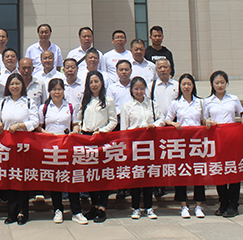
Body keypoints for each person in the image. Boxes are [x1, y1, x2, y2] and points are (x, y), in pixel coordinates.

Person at [38, 78, 87, 225]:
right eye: (54, 89)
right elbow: (39, 127)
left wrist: (75, 131)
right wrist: (48, 134)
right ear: (49, 91)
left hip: (67, 148)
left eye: (59, 89)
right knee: (55, 180)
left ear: (63, 91)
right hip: (51, 149)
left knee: (71, 178)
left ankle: (76, 211)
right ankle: (58, 209)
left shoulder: (70, 106)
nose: (57, 92)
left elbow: (76, 124)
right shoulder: (44, 108)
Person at [204, 70, 243, 218]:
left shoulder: (233, 99)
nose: (219, 85)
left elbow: (241, 112)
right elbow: (204, 119)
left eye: (222, 82)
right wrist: (207, 121)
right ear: (212, 84)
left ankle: (233, 204)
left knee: (233, 171)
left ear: (227, 83)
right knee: (220, 172)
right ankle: (223, 202)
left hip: (232, 139)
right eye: (217, 83)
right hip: (217, 140)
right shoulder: (207, 101)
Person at [0, 73, 38, 225]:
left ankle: (22, 212)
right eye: (12, 84)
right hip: (7, 146)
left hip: (24, 146)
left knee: (22, 179)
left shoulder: (29, 102)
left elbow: (35, 121)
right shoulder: (3, 102)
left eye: (17, 84)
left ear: (22, 86)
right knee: (11, 178)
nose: (14, 86)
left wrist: (19, 126)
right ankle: (11, 213)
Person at [120, 76, 166, 220]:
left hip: (149, 145)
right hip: (134, 146)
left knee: (148, 177)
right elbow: (124, 128)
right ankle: (135, 208)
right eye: (136, 89)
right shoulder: (127, 106)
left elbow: (162, 119)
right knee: (136, 177)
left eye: (141, 88)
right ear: (131, 90)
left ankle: (149, 207)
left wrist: (155, 125)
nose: (139, 91)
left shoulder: (151, 104)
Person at [76, 70, 117, 222]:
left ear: (102, 83)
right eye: (91, 82)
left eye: (96, 81)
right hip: (87, 139)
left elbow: (113, 121)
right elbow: (79, 119)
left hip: (101, 139)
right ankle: (94, 205)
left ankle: (102, 207)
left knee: (103, 174)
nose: (94, 85)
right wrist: (79, 129)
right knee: (90, 174)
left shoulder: (108, 100)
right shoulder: (84, 100)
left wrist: (102, 131)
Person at [166, 73, 206, 219]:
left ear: (193, 86)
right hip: (181, 143)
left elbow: (205, 119)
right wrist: (173, 123)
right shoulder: (175, 103)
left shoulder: (201, 102)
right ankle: (183, 205)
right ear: (180, 87)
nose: (186, 87)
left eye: (189, 84)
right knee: (181, 173)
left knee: (198, 174)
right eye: (184, 84)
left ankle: (198, 205)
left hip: (197, 143)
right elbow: (167, 120)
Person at [148, 58, 178, 123]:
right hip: (157, 122)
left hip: (174, 122)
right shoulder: (151, 86)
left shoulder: (177, 85)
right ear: (156, 70)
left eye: (165, 67)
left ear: (170, 69)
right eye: (160, 68)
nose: (163, 70)